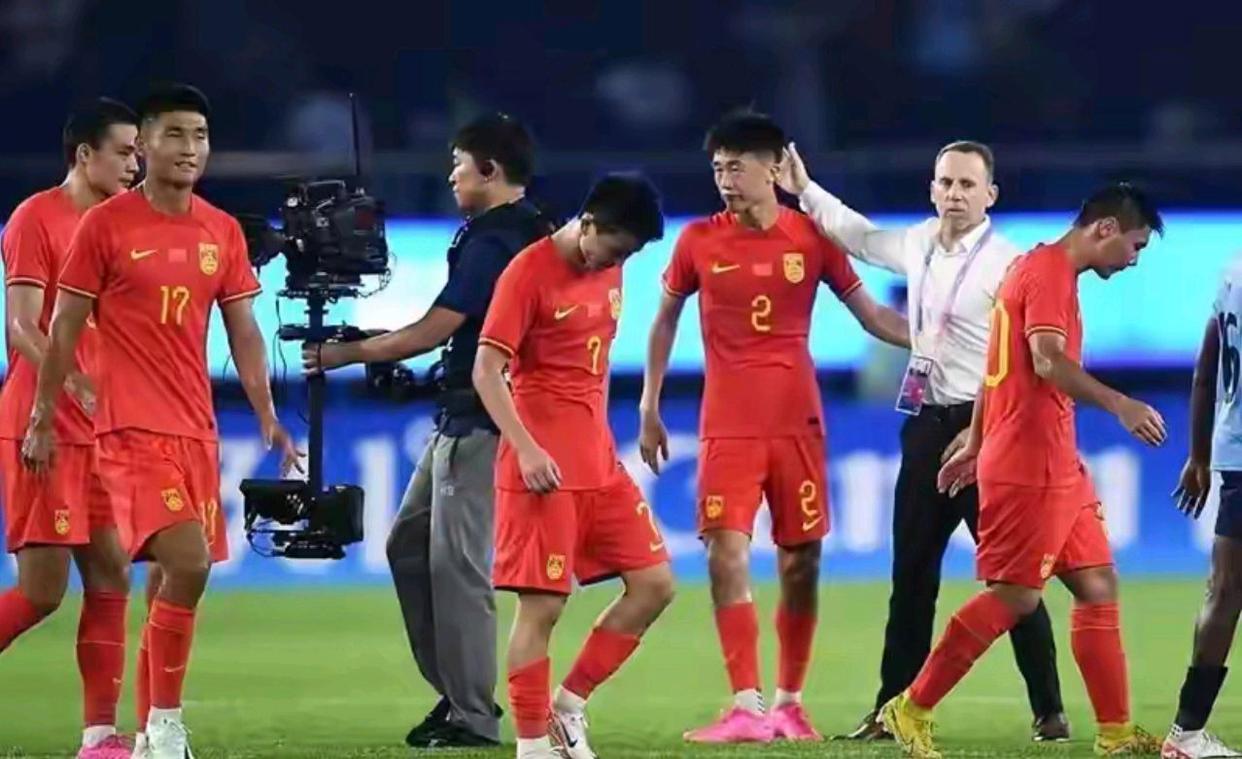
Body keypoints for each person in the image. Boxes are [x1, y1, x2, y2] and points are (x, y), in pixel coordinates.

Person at [22, 83, 301, 759]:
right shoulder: (105, 226)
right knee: (188, 560)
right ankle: (169, 724)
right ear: (143, 145)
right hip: (126, 429)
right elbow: (63, 328)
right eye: (174, 134)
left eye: (199, 135)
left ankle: (148, 729)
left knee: (170, 581)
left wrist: (266, 412)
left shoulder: (220, 230)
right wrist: (43, 413)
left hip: (195, 429)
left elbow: (244, 330)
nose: (189, 148)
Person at [778, 141, 1068, 741]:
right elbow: (858, 236)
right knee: (911, 577)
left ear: (991, 195)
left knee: (1012, 581)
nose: (955, 194)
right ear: (932, 189)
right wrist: (805, 189)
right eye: (946, 183)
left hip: (987, 432)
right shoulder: (918, 244)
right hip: (926, 426)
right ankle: (892, 711)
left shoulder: (1010, 265)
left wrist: (985, 430)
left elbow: (1022, 362)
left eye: (967, 185)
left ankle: (1050, 713)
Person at [639, 110, 909, 745]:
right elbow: (665, 319)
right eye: (717, 168)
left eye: (736, 167)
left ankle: (789, 704)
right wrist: (649, 405)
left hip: (797, 423)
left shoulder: (811, 237)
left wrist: (946, 342)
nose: (725, 180)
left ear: (774, 168)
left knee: (801, 562)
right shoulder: (697, 241)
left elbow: (873, 316)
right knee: (724, 553)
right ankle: (745, 705)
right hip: (727, 425)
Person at [883, 183, 1167, 758]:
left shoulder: (1030, 267)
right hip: (1029, 462)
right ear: (1105, 229)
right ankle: (910, 707)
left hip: (1058, 460)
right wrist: (1121, 404)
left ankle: (1114, 733)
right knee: (1015, 596)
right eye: (1135, 246)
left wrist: (975, 438)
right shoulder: (1050, 275)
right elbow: (1046, 361)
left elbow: (994, 366)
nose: (1134, 260)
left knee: (1096, 584)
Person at [301, 113, 553, 748]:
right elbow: (465, 337)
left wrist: (349, 353)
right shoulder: (521, 229)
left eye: (458, 166)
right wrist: (412, 371)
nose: (451, 177)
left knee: (457, 568)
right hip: (459, 415)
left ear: (489, 171)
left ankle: (473, 715)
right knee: (408, 547)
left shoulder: (499, 236)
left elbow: (440, 326)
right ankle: (460, 693)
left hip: (481, 424)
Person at [474, 174, 673, 759]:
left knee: (655, 585)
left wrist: (635, 416)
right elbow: (486, 370)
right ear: (588, 224)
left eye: (629, 255)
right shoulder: (527, 273)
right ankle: (533, 747)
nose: (618, 262)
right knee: (543, 607)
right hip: (542, 469)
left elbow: (598, 360)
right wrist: (526, 448)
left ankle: (567, 707)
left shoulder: (609, 267)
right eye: (615, 250)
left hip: (598, 461)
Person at [0, 98, 138, 759]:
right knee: (42, 592)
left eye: (138, 153)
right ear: (85, 154)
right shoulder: (37, 217)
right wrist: (70, 386)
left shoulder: (123, 227)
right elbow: (20, 325)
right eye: (124, 152)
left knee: (111, 575)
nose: (135, 166)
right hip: (45, 424)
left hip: (102, 432)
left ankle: (99, 737)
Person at [1159, 253, 1242, 758]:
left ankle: (1186, 732)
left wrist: (1199, 454)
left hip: (1235, 452)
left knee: (1225, 591)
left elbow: (1205, 372)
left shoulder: (1232, 270)